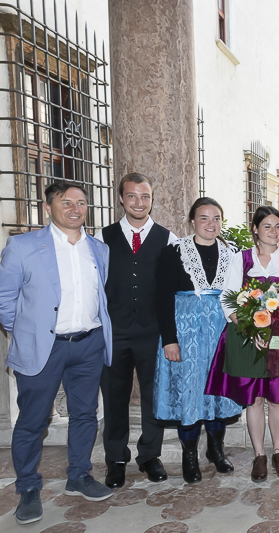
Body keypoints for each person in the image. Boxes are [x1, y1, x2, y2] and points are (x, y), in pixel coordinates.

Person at [0, 181, 114, 525]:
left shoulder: (98, 249)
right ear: (49, 207)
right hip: (44, 347)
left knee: (85, 414)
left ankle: (78, 476)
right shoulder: (22, 246)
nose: (75, 208)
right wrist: (26, 334)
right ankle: (28, 488)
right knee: (33, 422)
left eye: (81, 202)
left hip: (89, 343)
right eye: (67, 202)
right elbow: (5, 300)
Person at [205, 206, 279, 483]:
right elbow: (227, 297)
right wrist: (249, 328)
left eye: (277, 226)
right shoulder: (241, 259)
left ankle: (278, 451)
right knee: (255, 399)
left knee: (278, 398)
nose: (273, 231)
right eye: (267, 226)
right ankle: (259, 454)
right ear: (256, 230)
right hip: (248, 337)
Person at [96, 172, 178, 489]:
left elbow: (169, 290)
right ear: (121, 199)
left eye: (145, 197)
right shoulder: (103, 238)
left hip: (151, 331)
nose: (139, 203)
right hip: (114, 332)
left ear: (151, 199)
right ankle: (116, 460)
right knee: (114, 397)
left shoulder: (167, 238)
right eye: (132, 196)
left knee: (152, 398)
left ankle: (149, 456)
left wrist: (169, 336)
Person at [154, 197, 242, 484]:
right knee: (190, 394)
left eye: (216, 218)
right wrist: (170, 340)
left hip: (221, 332)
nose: (210, 224)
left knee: (218, 392)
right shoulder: (174, 252)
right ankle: (188, 456)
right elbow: (162, 298)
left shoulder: (233, 253)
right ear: (192, 221)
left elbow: (241, 295)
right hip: (186, 333)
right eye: (204, 218)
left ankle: (216, 450)